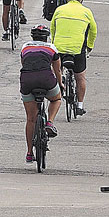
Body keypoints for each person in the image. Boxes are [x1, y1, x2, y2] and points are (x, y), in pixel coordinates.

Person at [50, 0, 97, 115]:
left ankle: (58, 89)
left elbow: (52, 28)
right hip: (78, 49)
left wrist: (54, 44)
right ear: (81, 0)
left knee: (57, 72)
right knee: (80, 77)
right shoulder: (86, 11)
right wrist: (89, 46)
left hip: (59, 47)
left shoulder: (59, 9)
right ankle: (80, 105)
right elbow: (93, 30)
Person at [20, 25, 62, 158]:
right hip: (45, 79)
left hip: (27, 80)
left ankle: (29, 152)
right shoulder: (51, 47)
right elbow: (57, 70)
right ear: (46, 37)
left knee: (30, 119)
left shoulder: (25, 46)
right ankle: (49, 121)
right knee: (56, 99)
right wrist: (60, 84)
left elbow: (24, 63)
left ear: (32, 37)